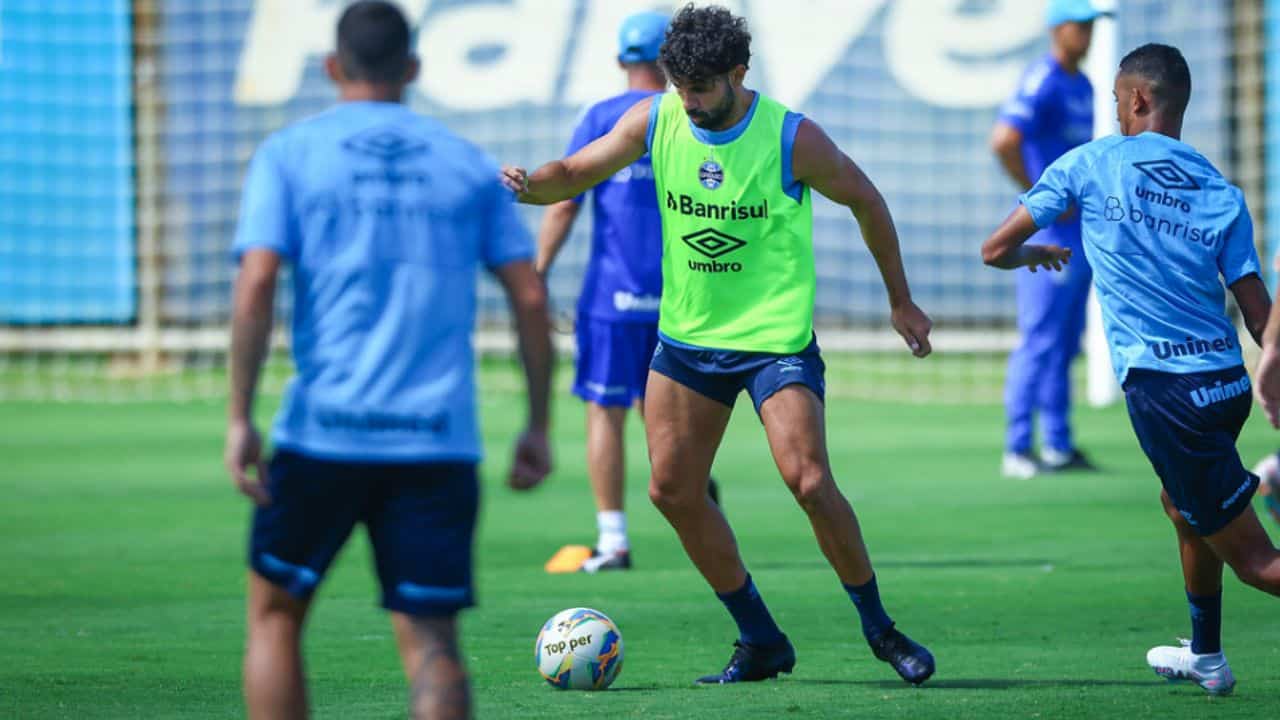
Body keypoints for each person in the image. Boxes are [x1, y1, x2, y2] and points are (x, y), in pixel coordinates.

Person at [502, 3, 935, 686]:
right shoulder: (656, 118)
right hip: (687, 342)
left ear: (739, 72)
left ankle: (880, 629)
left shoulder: (793, 138)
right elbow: (578, 171)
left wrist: (900, 300)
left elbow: (866, 200)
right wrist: (531, 186)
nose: (690, 101)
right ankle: (760, 638)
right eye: (680, 87)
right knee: (672, 492)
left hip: (773, 342)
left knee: (810, 482)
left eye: (702, 87)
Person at [223, 3, 553, 718]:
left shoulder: (289, 153)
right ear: (414, 70)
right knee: (432, 635)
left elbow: (255, 286)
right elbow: (529, 298)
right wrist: (537, 424)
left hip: (322, 434)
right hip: (436, 439)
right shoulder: (464, 164)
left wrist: (239, 417)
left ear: (332, 68)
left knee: (276, 617)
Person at [982, 42, 1280, 696]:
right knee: (1183, 505)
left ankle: (1210, 649)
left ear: (1138, 100)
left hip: (1168, 396)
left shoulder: (1090, 163)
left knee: (1259, 564)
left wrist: (1033, 255)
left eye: (1117, 102)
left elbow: (995, 248)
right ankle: (1206, 656)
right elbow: (1261, 315)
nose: (1115, 115)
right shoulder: (1218, 189)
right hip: (1226, 384)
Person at [536, 11, 694, 574]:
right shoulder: (693, 114)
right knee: (682, 414)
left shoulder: (603, 117)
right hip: (688, 298)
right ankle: (696, 494)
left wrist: (536, 272)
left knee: (605, 411)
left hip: (612, 298)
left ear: (620, 61)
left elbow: (564, 198)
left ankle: (612, 540)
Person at [990, 0, 1108, 479]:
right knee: (1039, 339)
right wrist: (1039, 198)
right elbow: (1004, 139)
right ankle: (1018, 447)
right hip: (1051, 230)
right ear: (1058, 29)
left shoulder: (1083, 85)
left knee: (1064, 340)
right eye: (1081, 26)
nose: (1089, 34)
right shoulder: (1042, 78)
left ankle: (1058, 443)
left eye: (1091, 26)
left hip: (1079, 231)